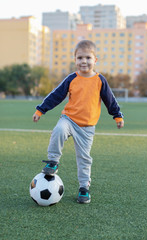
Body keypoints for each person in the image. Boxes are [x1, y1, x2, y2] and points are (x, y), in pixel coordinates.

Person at [32, 40, 124, 204]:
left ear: (95, 60)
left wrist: (117, 115)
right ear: (75, 60)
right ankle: (53, 161)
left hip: (87, 128)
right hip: (69, 119)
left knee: (84, 159)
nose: (84, 61)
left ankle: (84, 188)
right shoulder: (71, 79)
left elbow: (110, 100)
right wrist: (40, 110)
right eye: (80, 57)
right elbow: (56, 96)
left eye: (88, 58)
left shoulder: (100, 80)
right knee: (59, 130)